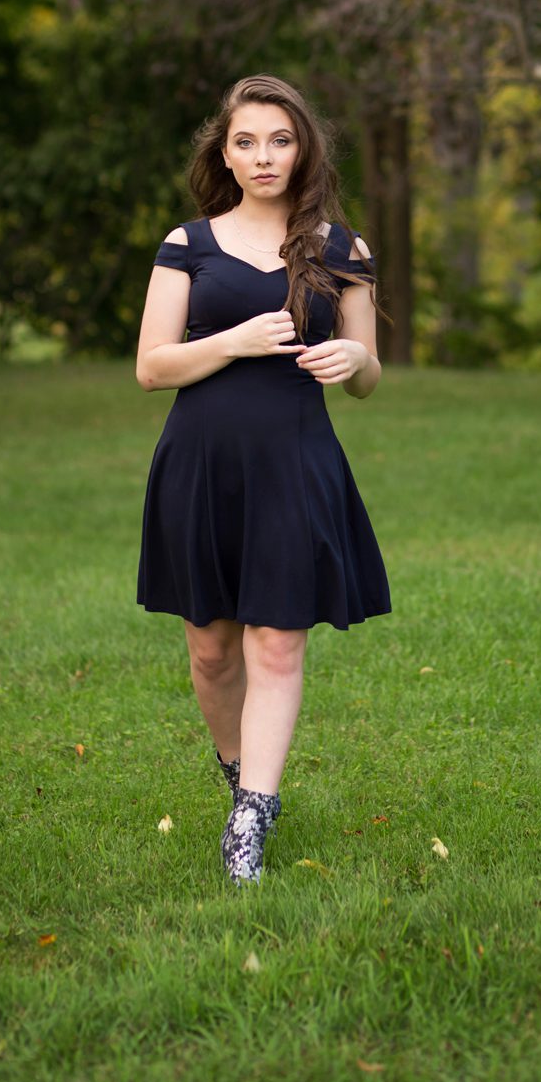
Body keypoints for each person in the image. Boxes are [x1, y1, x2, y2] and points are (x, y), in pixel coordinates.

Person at [135, 73, 393, 887]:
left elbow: (368, 374)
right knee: (212, 650)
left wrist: (354, 358)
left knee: (277, 639)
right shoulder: (189, 244)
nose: (264, 156)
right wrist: (235, 340)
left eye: (280, 139)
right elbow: (151, 366)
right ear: (225, 153)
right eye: (245, 141)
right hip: (203, 463)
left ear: (303, 148)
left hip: (294, 462)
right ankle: (243, 775)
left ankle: (251, 817)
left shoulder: (343, 250)